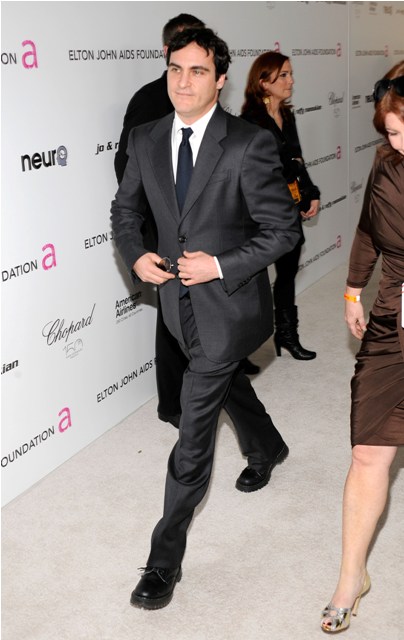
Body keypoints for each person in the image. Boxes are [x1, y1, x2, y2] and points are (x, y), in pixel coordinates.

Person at [111, 27, 301, 609]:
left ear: (220, 79)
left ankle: (163, 561)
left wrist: (218, 264)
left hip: (228, 302)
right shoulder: (145, 138)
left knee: (193, 431)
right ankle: (267, 445)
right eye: (175, 69)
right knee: (219, 379)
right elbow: (124, 210)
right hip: (175, 304)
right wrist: (135, 253)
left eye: (197, 71)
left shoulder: (247, 143)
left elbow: (283, 230)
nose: (183, 81)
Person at [320, 61, 404, 634]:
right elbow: (371, 229)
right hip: (393, 316)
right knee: (368, 450)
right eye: (394, 132)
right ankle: (352, 576)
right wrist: (354, 289)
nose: (400, 145)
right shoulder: (386, 164)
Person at [115, 14, 206, 430]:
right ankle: (172, 403)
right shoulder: (150, 99)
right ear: (167, 51)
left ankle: (219, 375)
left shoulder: (202, 94)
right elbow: (127, 167)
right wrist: (156, 214)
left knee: (206, 301)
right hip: (165, 223)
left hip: (202, 219)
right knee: (173, 311)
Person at [241, 51, 320, 360]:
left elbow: (298, 159)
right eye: (284, 75)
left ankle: (287, 335)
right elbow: (267, 169)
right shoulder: (250, 122)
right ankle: (242, 351)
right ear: (264, 82)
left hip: (289, 205)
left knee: (287, 274)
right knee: (252, 281)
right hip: (260, 211)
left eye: (290, 74)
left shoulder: (287, 115)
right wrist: (291, 163)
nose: (291, 80)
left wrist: (310, 191)